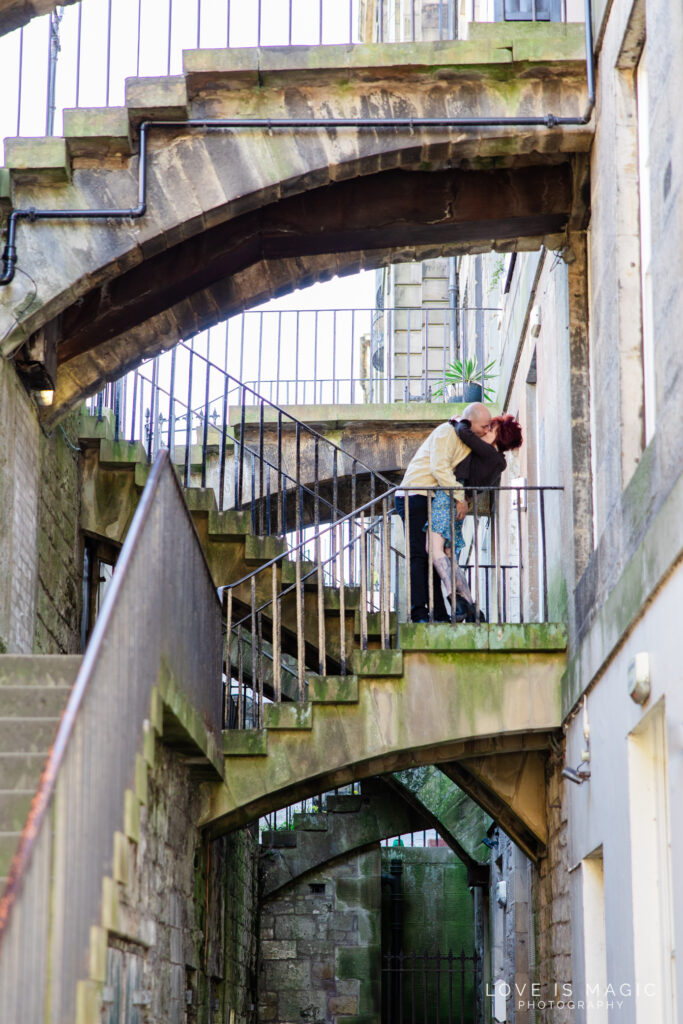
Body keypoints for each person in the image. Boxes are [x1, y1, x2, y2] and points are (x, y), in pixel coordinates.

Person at [395, 403, 492, 623]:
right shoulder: (446, 432)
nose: (486, 431)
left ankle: (440, 613)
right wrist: (460, 497)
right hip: (414, 494)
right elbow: (440, 469)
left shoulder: (465, 440)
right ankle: (419, 613)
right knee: (420, 556)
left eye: (489, 428)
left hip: (432, 497)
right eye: (484, 427)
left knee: (435, 557)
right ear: (470, 422)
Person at [428, 414, 523, 619]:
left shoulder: (487, 451)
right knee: (447, 553)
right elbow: (479, 488)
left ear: (499, 434)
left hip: (450, 496)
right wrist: (467, 501)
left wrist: (459, 420)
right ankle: (472, 608)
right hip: (461, 500)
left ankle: (459, 602)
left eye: (492, 428)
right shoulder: (499, 462)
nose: (486, 430)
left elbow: (463, 432)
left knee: (434, 549)